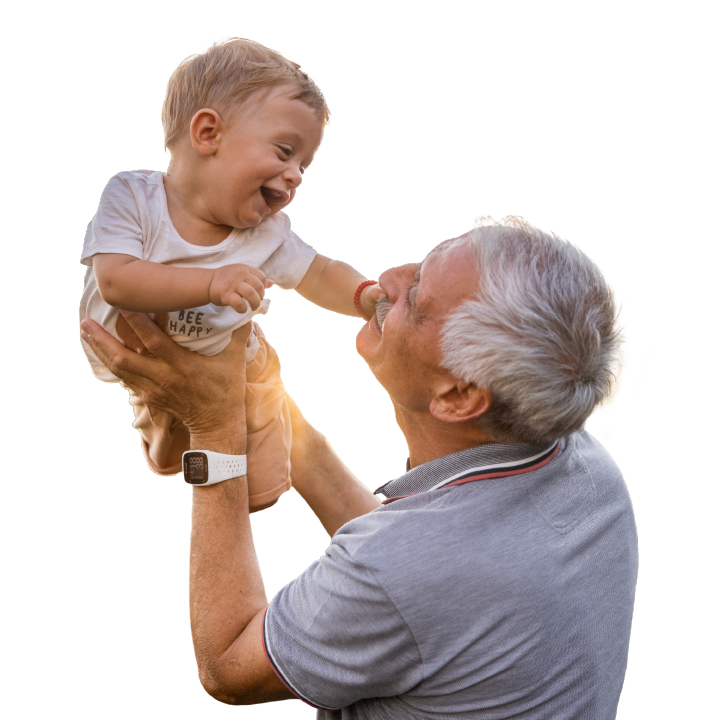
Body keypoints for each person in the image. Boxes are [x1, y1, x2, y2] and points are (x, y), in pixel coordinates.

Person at [79, 215, 638, 719]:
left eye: (417, 299)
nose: (388, 280)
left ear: (458, 395)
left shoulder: (403, 572)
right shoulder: (582, 462)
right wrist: (268, 403)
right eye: (424, 260)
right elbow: (423, 576)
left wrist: (214, 430)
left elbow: (228, 667)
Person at [78, 36, 384, 513]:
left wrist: (363, 295)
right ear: (208, 134)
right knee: (164, 440)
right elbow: (116, 280)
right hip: (141, 359)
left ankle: (254, 472)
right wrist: (212, 283)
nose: (297, 175)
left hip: (236, 362)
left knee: (257, 465)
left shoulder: (266, 234)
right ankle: (165, 422)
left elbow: (318, 272)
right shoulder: (134, 197)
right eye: (285, 151)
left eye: (305, 164)